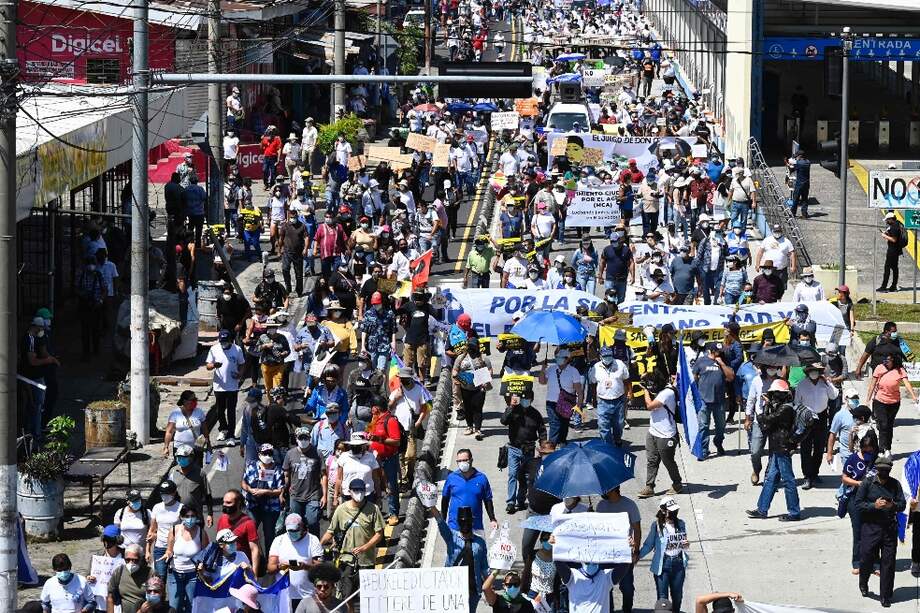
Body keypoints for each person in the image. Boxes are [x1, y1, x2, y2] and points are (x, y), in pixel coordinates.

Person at [746, 379, 802, 521]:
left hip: (782, 448)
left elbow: (765, 421)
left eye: (774, 394)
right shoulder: (781, 407)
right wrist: (769, 405)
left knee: (788, 480)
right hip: (776, 447)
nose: (772, 396)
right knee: (771, 479)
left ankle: (794, 512)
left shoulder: (786, 409)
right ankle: (762, 509)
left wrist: (763, 408)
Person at [320, 479, 385, 601]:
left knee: (369, 597)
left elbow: (379, 534)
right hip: (347, 560)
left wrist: (365, 547)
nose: (358, 493)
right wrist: (318, 546)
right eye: (356, 490)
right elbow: (330, 531)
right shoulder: (341, 510)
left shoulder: (373, 509)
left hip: (367, 561)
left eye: (361, 490)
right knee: (347, 597)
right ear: (349, 492)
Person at [855, 454, 905, 607]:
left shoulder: (895, 485)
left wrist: (893, 506)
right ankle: (863, 582)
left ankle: (886, 595)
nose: (884, 472)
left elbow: (902, 504)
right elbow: (858, 505)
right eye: (881, 469)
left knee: (888, 563)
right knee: (867, 558)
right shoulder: (867, 484)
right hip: (871, 527)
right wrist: (873, 506)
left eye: (887, 470)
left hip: (889, 528)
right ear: (877, 469)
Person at [430, 506, 489, 613]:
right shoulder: (451, 537)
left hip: (473, 590)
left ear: (472, 522)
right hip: (452, 589)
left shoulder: (480, 542)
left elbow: (484, 567)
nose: (465, 524)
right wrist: (430, 504)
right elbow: (440, 521)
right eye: (462, 522)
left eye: (467, 522)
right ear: (458, 523)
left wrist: (490, 586)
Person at [638, 497, 689, 613]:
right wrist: (637, 556)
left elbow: (683, 544)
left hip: (678, 564)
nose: (674, 513)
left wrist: (686, 544)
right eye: (671, 511)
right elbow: (648, 545)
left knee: (677, 596)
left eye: (675, 511)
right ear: (663, 511)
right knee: (662, 599)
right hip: (663, 565)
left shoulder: (681, 524)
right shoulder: (656, 526)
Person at [596, 486, 641, 613]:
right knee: (606, 587)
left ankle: (627, 609)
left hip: (624, 555)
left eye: (605, 489)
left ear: (613, 489)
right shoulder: (600, 506)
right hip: (605, 556)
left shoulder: (630, 505)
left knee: (627, 588)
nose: (602, 492)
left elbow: (637, 529)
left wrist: (636, 550)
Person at [500, 392, 546, 515]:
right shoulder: (514, 410)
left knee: (525, 477)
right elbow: (503, 420)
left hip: (529, 449)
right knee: (512, 474)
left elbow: (542, 432)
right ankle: (510, 502)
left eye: (528, 399)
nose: (525, 401)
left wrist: (543, 448)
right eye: (523, 399)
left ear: (531, 400)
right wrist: (511, 407)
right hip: (514, 449)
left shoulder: (536, 414)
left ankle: (521, 500)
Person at [794, 362, 839, 489]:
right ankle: (807, 476)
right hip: (807, 417)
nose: (814, 373)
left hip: (822, 417)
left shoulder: (824, 383)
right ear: (808, 372)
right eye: (811, 370)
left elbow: (834, 395)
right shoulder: (802, 384)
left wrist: (828, 382)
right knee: (806, 448)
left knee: (819, 447)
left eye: (816, 371)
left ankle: (815, 473)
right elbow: (797, 402)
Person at [638, 370, 682, 497]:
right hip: (653, 431)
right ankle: (649, 487)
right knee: (651, 460)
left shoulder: (666, 393)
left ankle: (677, 484)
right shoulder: (663, 389)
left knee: (668, 461)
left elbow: (650, 405)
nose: (651, 386)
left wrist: (645, 390)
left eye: (652, 384)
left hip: (666, 434)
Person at [267, 513, 324, 610]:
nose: (293, 533)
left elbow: (320, 568)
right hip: (285, 596)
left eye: (296, 530)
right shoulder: (278, 540)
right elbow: (270, 568)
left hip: (307, 595)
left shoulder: (313, 540)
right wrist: (280, 566)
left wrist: (304, 567)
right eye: (290, 531)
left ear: (302, 527)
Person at [841, 431, 879, 575]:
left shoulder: (878, 460)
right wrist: (858, 483)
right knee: (858, 532)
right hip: (855, 499)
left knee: (874, 532)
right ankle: (857, 562)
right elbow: (844, 478)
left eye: (871, 449)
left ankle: (875, 563)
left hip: (873, 500)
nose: (868, 452)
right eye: (865, 449)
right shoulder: (853, 459)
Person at [866, 351, 917, 456]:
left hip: (894, 402)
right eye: (884, 360)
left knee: (889, 425)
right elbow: (872, 384)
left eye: (887, 360)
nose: (885, 362)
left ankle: (888, 448)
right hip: (880, 401)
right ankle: (881, 450)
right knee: (883, 424)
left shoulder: (900, 370)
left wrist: (913, 396)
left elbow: (907, 384)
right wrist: (868, 399)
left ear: (893, 360)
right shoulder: (879, 368)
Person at [692, 342, 734, 460]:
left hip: (719, 400)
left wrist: (721, 363)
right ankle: (704, 450)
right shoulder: (701, 361)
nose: (718, 353)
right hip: (704, 399)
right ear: (711, 351)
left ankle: (718, 443)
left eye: (720, 351)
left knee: (720, 426)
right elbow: (695, 376)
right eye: (716, 351)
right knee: (703, 426)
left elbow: (730, 377)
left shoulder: (723, 361)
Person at [441, 449, 498, 533]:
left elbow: (487, 500)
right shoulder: (451, 478)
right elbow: (445, 499)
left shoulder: (482, 478)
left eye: (465, 460)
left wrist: (492, 519)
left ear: (471, 460)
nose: (462, 463)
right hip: (455, 527)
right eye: (459, 461)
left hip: (476, 527)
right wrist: (443, 520)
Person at [283, 427, 326, 537]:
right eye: (301, 438)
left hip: (313, 495)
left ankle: (315, 546)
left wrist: (324, 495)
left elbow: (323, 476)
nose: (303, 440)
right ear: (296, 439)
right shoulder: (290, 454)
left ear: (309, 438)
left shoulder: (318, 453)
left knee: (312, 522)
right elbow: (286, 475)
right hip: (295, 495)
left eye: (305, 437)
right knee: (295, 524)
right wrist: (282, 492)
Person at [242, 443, 285, 549]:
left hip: (270, 509)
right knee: (250, 533)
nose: (267, 456)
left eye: (270, 453)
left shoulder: (278, 470)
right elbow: (243, 482)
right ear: (259, 454)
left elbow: (280, 490)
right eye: (265, 453)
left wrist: (265, 492)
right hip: (253, 506)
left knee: (269, 536)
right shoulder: (251, 466)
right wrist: (250, 489)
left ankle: (269, 561)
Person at [164, 506, 207, 612]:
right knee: (174, 607)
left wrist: (202, 564)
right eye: (187, 516)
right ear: (181, 517)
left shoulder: (201, 533)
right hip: (174, 574)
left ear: (197, 517)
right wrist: (168, 554)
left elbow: (206, 554)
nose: (190, 519)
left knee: (191, 607)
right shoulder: (174, 530)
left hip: (193, 575)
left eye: (192, 516)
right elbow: (169, 550)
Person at [367, 396, 402, 526]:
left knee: (390, 486)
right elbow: (370, 433)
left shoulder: (390, 420)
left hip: (388, 460)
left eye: (372, 407)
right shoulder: (375, 420)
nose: (371, 410)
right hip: (375, 459)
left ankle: (394, 513)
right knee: (377, 486)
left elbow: (396, 441)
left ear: (376, 407)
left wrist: (379, 440)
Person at [538, 348, 584, 446]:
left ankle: (562, 442)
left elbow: (579, 391)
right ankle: (551, 446)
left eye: (561, 357)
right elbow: (542, 382)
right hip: (552, 402)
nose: (558, 359)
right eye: (557, 357)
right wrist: (543, 369)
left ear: (567, 359)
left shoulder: (573, 371)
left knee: (564, 425)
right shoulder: (551, 369)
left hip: (567, 403)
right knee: (555, 424)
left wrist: (578, 406)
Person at [206, 329, 245, 442]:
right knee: (219, 410)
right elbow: (208, 365)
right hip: (219, 386)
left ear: (230, 340)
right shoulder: (214, 349)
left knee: (231, 411)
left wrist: (240, 375)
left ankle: (231, 435)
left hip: (232, 386)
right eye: (222, 341)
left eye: (226, 341)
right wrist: (214, 365)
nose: (224, 343)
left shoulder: (237, 349)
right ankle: (223, 429)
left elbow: (242, 364)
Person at [453, 336, 494, 440]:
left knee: (477, 409)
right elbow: (455, 370)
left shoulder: (483, 358)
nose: (471, 349)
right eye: (470, 347)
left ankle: (478, 429)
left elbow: (489, 370)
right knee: (467, 408)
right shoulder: (461, 358)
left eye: (473, 347)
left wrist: (486, 380)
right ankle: (469, 426)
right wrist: (459, 379)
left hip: (479, 388)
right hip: (465, 387)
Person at [590, 345, 630, 447]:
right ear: (600, 356)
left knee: (619, 424)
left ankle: (617, 440)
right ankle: (607, 446)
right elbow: (593, 384)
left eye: (609, 355)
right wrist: (593, 399)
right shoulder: (595, 367)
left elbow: (626, 380)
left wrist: (629, 392)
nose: (607, 358)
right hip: (603, 401)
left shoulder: (620, 364)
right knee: (603, 425)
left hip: (619, 400)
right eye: (605, 356)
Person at [215, 489, 262, 575]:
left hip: (241, 566)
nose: (225, 505)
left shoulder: (248, 523)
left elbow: (254, 549)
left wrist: (254, 574)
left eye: (229, 503)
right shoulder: (222, 519)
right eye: (224, 502)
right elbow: (219, 543)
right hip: (224, 566)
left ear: (238, 503)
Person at [168, 444, 213, 526]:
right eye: (179, 457)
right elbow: (168, 493)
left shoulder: (200, 473)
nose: (180, 459)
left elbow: (207, 495)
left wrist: (210, 514)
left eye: (184, 457)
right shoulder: (172, 472)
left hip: (195, 517)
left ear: (191, 458)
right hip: (177, 517)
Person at [147, 480, 183, 578]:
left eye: (167, 493)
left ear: (174, 493)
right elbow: (152, 530)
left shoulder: (181, 508)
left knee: (177, 576)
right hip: (160, 548)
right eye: (163, 493)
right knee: (160, 577)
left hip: (177, 548)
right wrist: (148, 551)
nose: (165, 496)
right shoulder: (157, 507)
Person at [106, 544, 151, 613]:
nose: (131, 563)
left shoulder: (150, 573)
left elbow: (156, 599)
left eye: (135, 560)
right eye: (127, 560)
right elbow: (110, 597)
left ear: (141, 559)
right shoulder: (119, 571)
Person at [163, 390, 207, 457]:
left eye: (195, 399)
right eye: (192, 400)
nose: (194, 402)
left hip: (197, 447)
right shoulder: (175, 413)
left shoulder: (199, 412)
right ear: (184, 401)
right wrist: (166, 447)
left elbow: (205, 429)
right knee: (183, 467)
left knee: (196, 467)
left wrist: (208, 444)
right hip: (180, 448)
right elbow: (169, 431)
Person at [880, 212, 907, 292]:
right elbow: (896, 236)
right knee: (895, 268)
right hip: (897, 250)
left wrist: (885, 236)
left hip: (892, 250)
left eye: (887, 220)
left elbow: (894, 240)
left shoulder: (894, 227)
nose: (886, 222)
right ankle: (893, 286)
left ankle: (884, 287)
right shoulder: (898, 223)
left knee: (887, 268)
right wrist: (888, 233)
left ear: (891, 219)